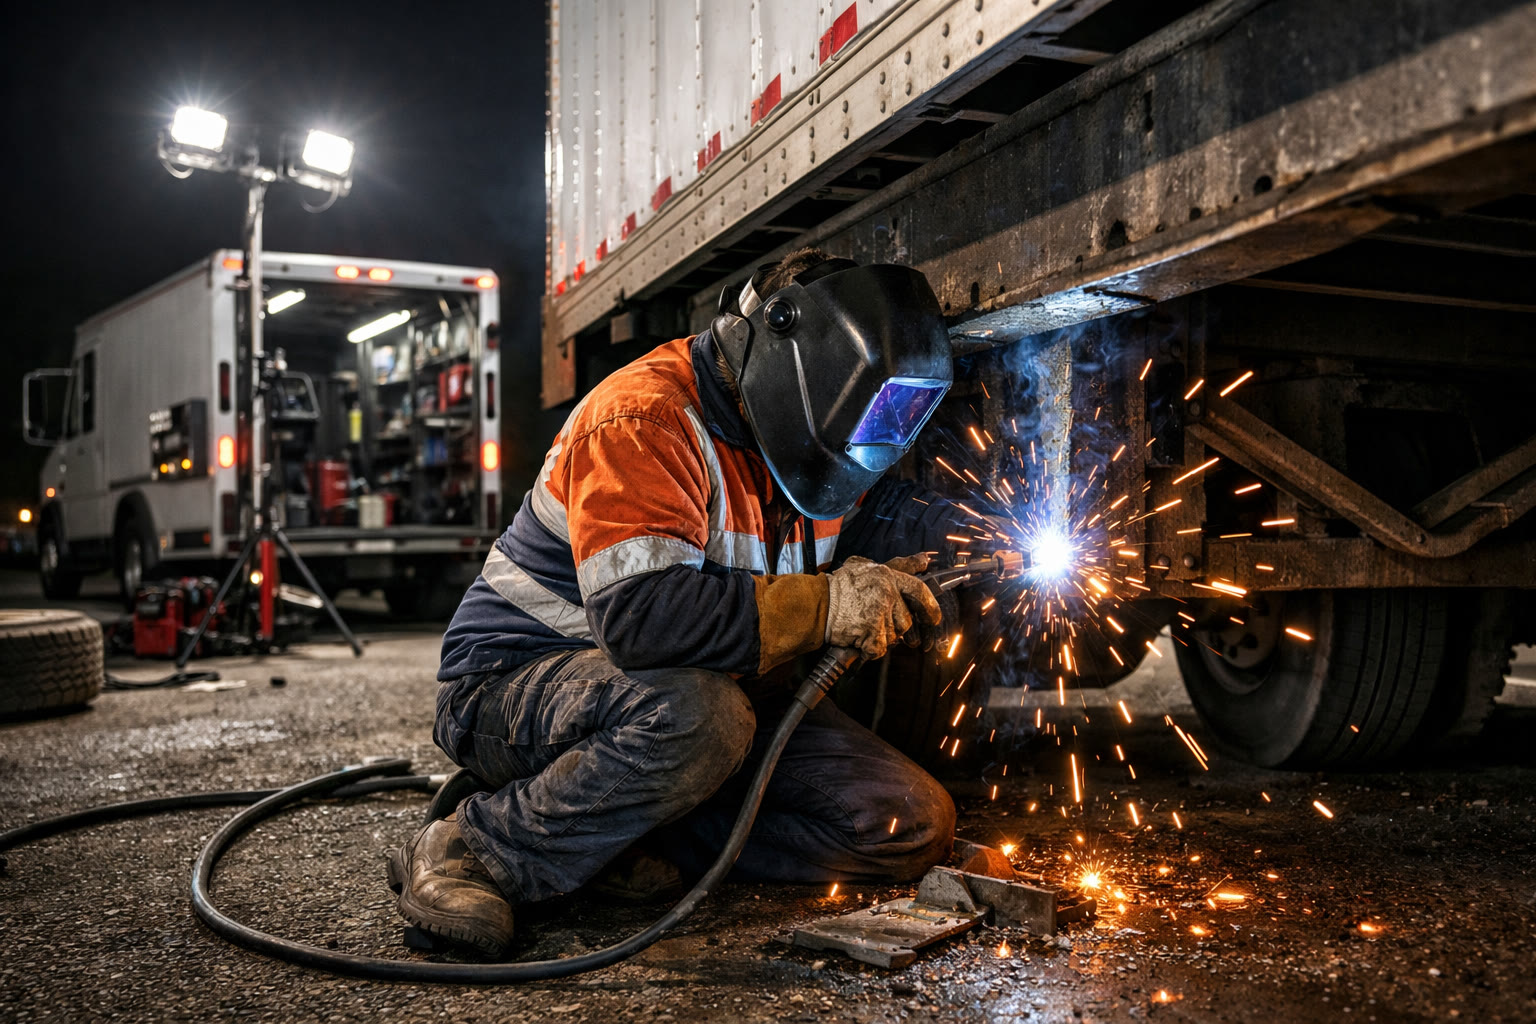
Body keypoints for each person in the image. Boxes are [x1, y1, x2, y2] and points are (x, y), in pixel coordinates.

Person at [390, 249, 965, 956]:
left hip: (703, 695)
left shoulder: (811, 444)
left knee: (908, 822)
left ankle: (607, 835)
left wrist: (989, 538)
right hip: (517, 682)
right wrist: (826, 607)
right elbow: (645, 621)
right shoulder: (644, 419)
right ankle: (477, 847)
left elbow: (882, 521)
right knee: (701, 719)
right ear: (785, 356)